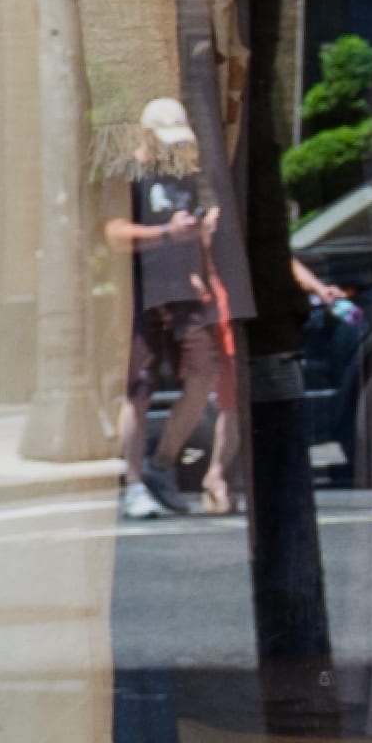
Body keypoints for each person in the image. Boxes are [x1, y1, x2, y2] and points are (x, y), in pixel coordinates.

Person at [105, 97, 222, 519]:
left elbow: (186, 225)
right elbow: (115, 234)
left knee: (204, 371)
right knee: (138, 387)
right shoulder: (126, 175)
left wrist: (198, 244)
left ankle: (162, 463)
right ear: (145, 135)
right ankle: (132, 481)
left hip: (182, 291)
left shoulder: (183, 174)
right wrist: (166, 235)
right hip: (139, 289)